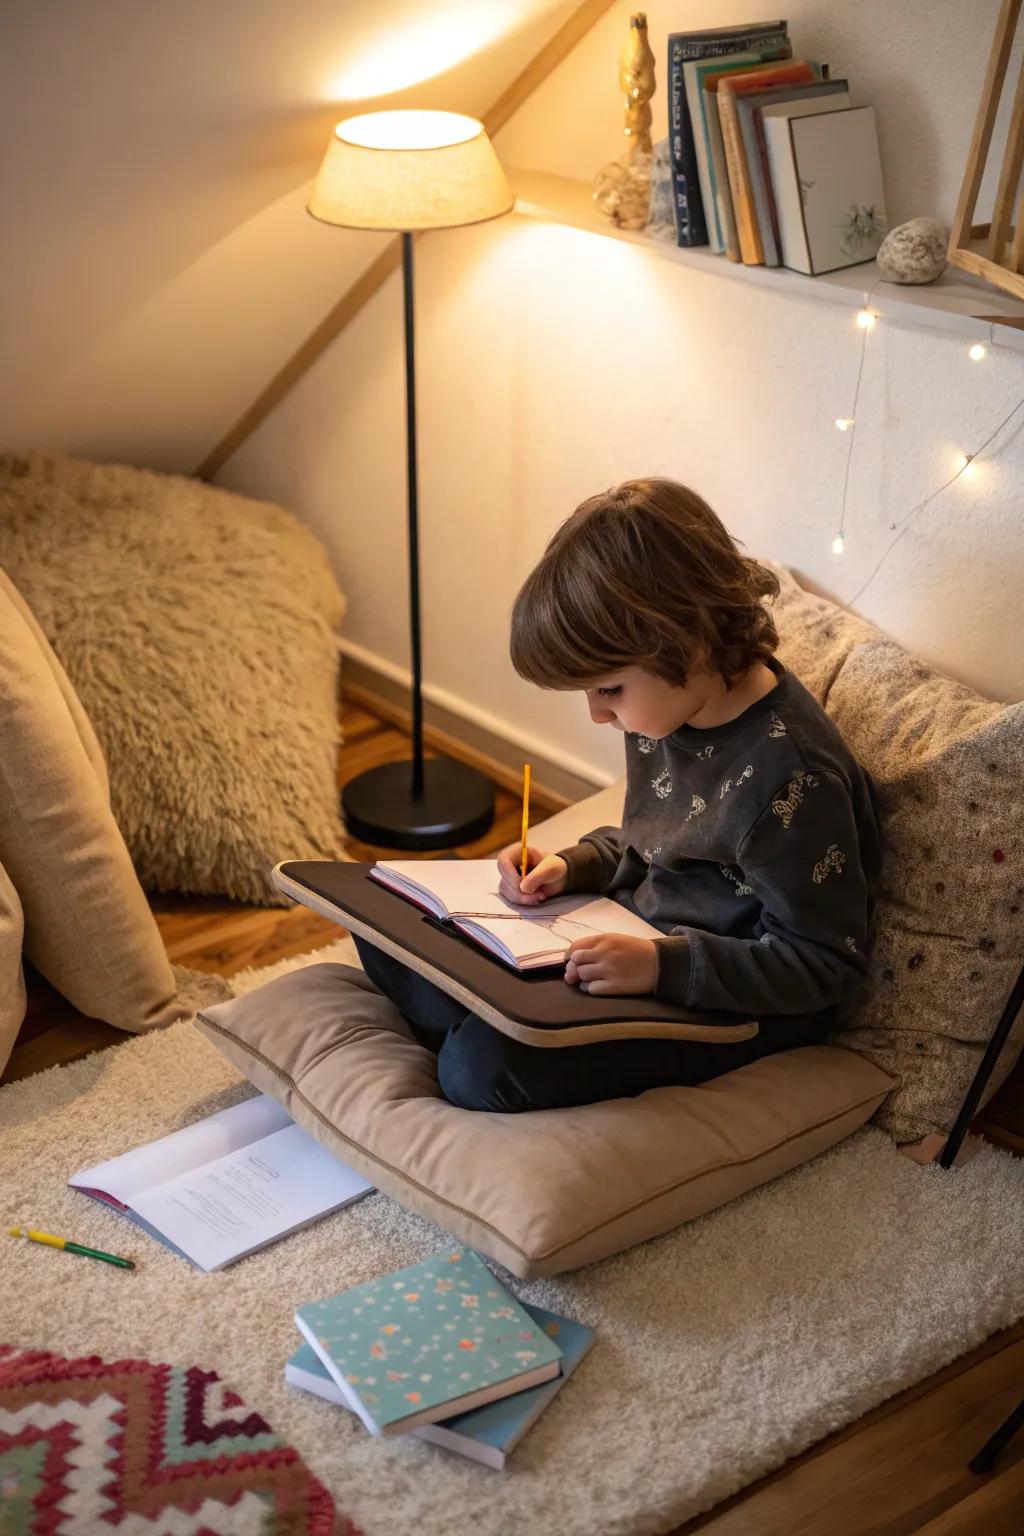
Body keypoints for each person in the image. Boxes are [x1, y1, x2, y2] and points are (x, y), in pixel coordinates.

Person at [354, 477, 882, 1113]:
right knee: (391, 931)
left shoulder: (793, 781)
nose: (597, 717)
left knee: (475, 1070)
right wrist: (571, 866)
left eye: (607, 691)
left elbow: (824, 965)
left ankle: (476, 1032)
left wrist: (661, 968)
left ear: (685, 646)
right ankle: (483, 1016)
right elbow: (656, 841)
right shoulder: (671, 706)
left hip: (727, 1005)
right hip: (624, 943)